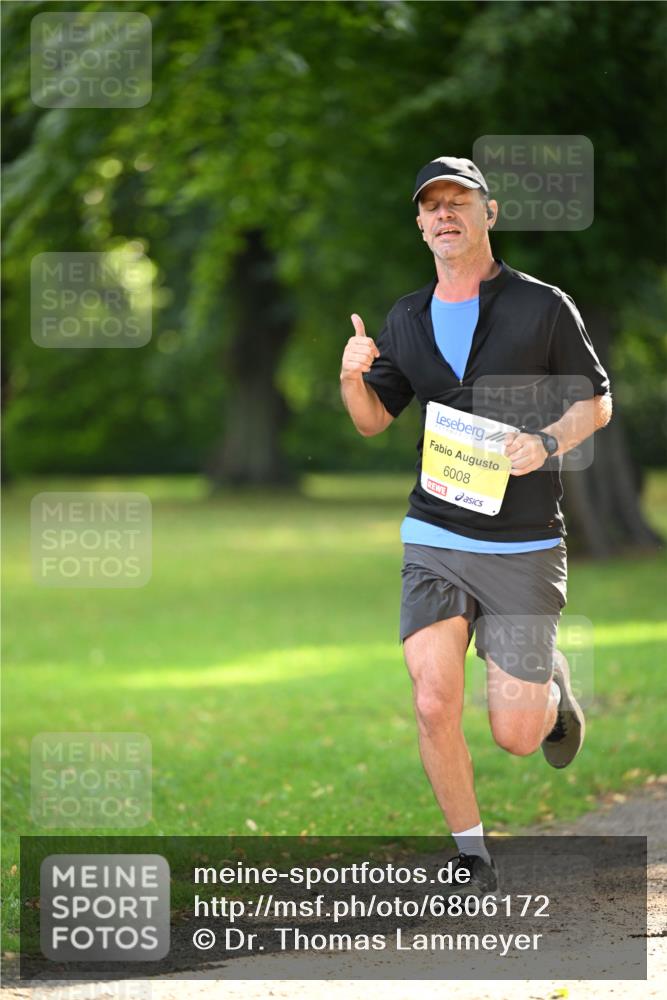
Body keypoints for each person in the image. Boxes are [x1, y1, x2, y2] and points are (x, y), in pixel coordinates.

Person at [339, 155, 612, 892]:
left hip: (522, 543)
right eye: (430, 206)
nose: (443, 215)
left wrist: (548, 441)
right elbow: (372, 420)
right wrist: (350, 374)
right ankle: (470, 857)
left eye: (457, 201)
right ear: (420, 225)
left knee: (515, 736)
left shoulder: (542, 306)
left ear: (488, 212)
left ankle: (551, 698)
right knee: (432, 698)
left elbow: (595, 401)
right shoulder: (406, 316)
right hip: (434, 536)